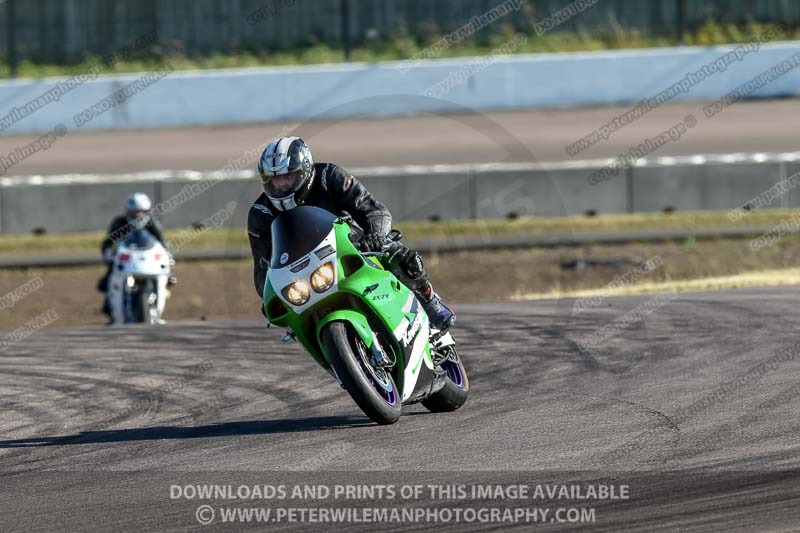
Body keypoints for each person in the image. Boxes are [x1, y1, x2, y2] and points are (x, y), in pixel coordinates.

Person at [247, 136, 456, 331]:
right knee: (293, 320)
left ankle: (429, 300)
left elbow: (373, 210)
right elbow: (262, 266)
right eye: (275, 180)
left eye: (288, 177)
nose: (281, 185)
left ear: (304, 170)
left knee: (400, 255)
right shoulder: (260, 213)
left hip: (353, 245)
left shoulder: (330, 177)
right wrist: (268, 297)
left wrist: (376, 235)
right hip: (305, 273)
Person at [98, 193, 172, 320]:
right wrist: (107, 254)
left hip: (146, 259)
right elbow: (108, 242)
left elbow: (162, 241)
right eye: (134, 212)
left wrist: (168, 254)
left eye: (141, 212)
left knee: (168, 276)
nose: (138, 215)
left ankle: (160, 295)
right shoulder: (120, 222)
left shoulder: (151, 223)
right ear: (128, 212)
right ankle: (110, 306)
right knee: (108, 279)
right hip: (127, 259)